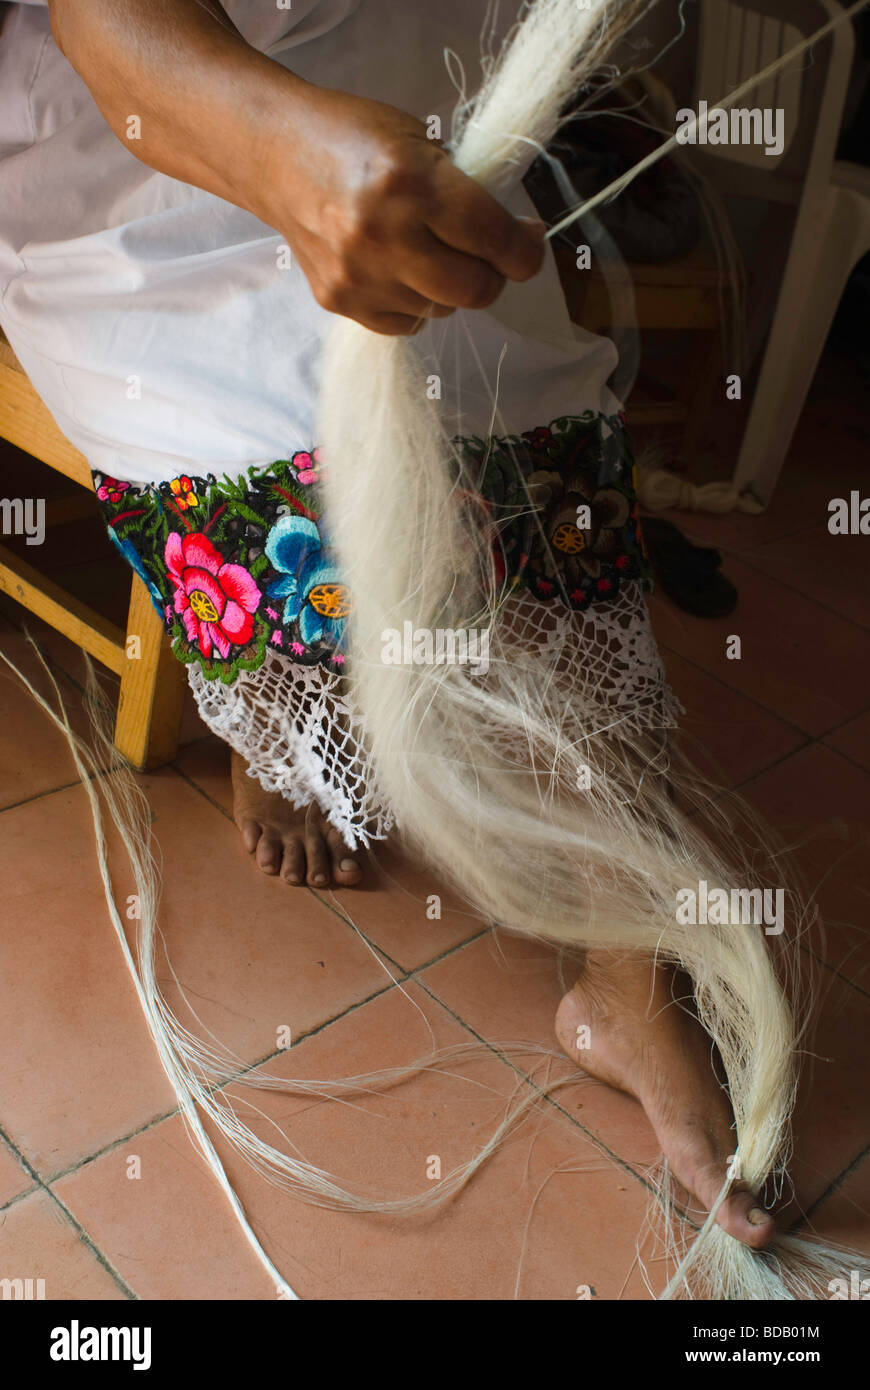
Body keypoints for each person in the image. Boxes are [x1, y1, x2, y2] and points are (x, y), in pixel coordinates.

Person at [0, 0, 776, 1251]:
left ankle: (629, 980)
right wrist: (283, 153)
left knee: (551, 481)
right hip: (143, 191)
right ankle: (273, 743)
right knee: (290, 511)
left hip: (424, 144)